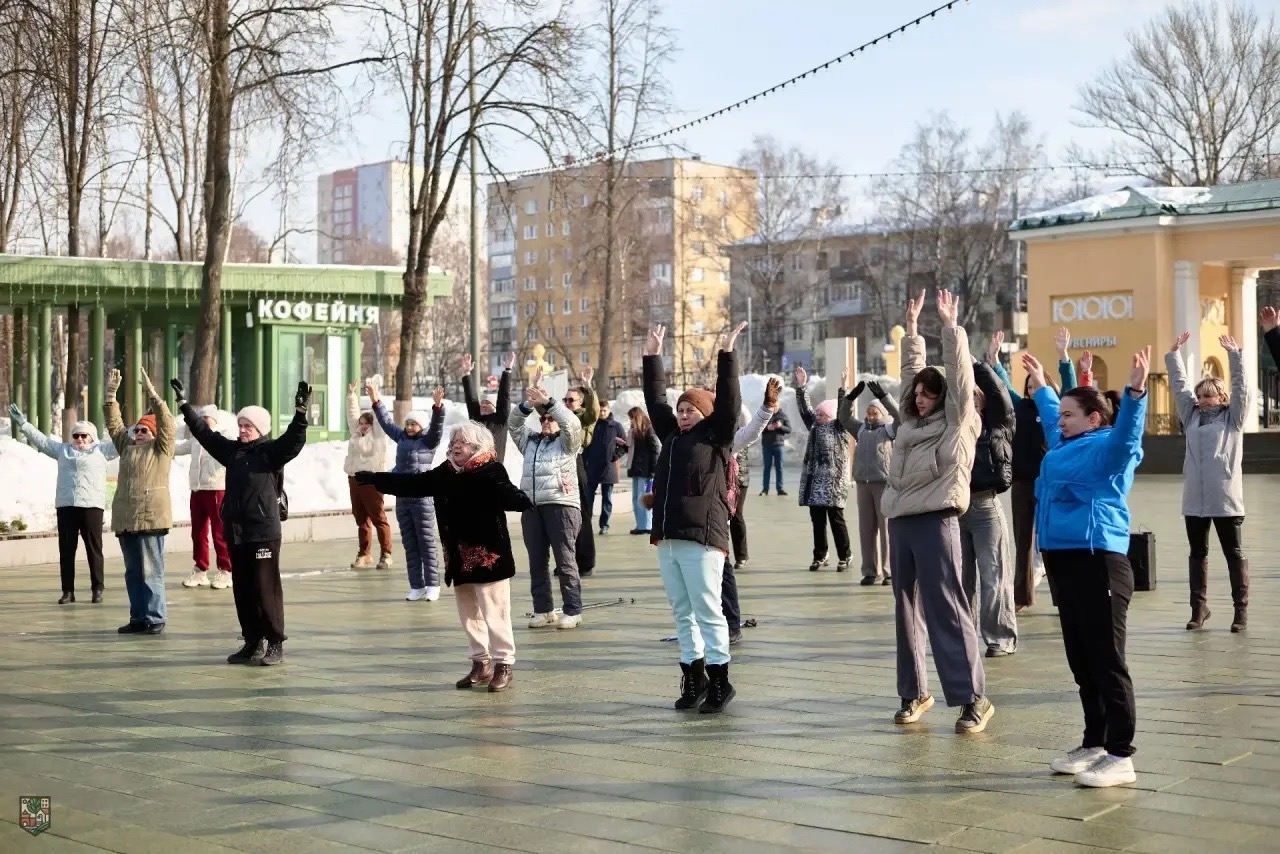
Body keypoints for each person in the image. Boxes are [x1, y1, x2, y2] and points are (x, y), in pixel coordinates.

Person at [1023, 346, 1150, 788]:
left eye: (1069, 415)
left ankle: (1121, 754)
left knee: (1107, 660)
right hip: (1063, 563)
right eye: (1060, 415)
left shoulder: (1106, 450)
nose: (1060, 421)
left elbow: (1127, 438)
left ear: (1093, 419)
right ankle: (1094, 742)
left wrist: (1136, 394)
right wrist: (1042, 385)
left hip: (1098, 563)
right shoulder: (1066, 444)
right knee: (1081, 661)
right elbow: (1050, 419)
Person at [882, 291, 993, 734]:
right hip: (901, 521)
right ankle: (914, 692)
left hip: (937, 518)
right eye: (919, 394)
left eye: (930, 393)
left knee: (947, 606)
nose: (921, 398)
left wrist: (950, 328)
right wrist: (912, 331)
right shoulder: (909, 424)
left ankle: (973, 698)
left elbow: (960, 379)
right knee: (905, 609)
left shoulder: (958, 422)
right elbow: (910, 375)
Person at [356, 422, 534, 693]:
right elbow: (414, 484)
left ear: (477, 447)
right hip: (459, 557)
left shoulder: (491, 471)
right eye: (453, 442)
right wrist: (377, 479)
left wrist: (522, 499)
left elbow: (508, 494)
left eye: (462, 442)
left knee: (495, 612)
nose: (455, 446)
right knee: (469, 614)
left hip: (489, 558)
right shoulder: (447, 472)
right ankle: (481, 663)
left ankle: (504, 664)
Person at [643, 321, 745, 714]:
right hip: (668, 538)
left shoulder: (716, 437)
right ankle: (694, 676)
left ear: (705, 414)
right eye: (681, 410)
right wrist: (653, 356)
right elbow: (656, 402)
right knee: (681, 612)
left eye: (691, 410)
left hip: (703, 539)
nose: (684, 415)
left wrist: (727, 354)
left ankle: (720, 680)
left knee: (708, 610)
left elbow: (730, 402)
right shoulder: (672, 437)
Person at [174, 378, 311, 665]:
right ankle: (252, 641)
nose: (242, 429)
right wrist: (184, 405)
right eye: (240, 425)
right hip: (237, 533)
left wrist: (300, 413)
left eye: (248, 426)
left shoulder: (269, 452)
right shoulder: (233, 452)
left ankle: (275, 642)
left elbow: (294, 440)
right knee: (243, 590)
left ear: (260, 429)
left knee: (265, 588)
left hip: (263, 533)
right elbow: (204, 434)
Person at [1166, 331, 1252, 633]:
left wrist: (1234, 356)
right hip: (1194, 500)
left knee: (1233, 554)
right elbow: (1179, 387)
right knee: (1197, 554)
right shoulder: (1191, 416)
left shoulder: (1233, 418)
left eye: (1209, 395)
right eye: (1200, 396)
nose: (1202, 400)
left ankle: (1240, 611)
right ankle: (1199, 609)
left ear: (1222, 397)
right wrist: (1174, 355)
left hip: (1225, 499)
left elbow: (1242, 388)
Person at [989, 330, 1073, 611]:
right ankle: (1022, 597)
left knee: (1053, 539)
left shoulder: (1058, 410)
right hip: (1023, 482)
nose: (1032, 390)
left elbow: (1070, 387)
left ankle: (1063, 597)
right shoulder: (1020, 406)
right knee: (1023, 540)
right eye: (1028, 386)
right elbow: (1002, 386)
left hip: (1051, 483)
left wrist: (1063, 356)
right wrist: (995, 360)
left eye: (1036, 385)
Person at [10, 403, 117, 604]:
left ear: (92, 437)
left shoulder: (102, 451)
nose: (79, 439)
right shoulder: (63, 450)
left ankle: (97, 588)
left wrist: (144, 420)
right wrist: (24, 424)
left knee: (94, 549)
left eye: (84, 435)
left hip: (91, 507)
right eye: (76, 435)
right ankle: (68, 591)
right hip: (67, 506)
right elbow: (42, 441)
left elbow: (123, 439)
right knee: (67, 550)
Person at [508, 380, 585, 629]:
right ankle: (543, 609)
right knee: (537, 562)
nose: (546, 421)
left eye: (551, 418)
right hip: (532, 507)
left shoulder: (568, 442)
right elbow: (513, 424)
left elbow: (571, 423)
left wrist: (549, 403)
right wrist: (527, 405)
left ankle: (573, 610)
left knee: (565, 561)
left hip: (561, 505)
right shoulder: (530, 442)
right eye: (543, 419)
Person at [106, 368, 177, 635]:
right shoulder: (127, 448)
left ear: (155, 434)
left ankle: (155, 617)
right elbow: (114, 426)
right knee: (133, 573)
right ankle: (138, 617)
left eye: (144, 430)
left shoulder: (161, 449)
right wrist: (110, 396)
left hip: (150, 519)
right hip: (127, 520)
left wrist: (154, 396)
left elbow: (168, 424)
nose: (138, 433)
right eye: (136, 429)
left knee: (150, 571)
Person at [960, 359, 1018, 658]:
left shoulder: (998, 427)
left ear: (982, 401)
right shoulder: (955, 430)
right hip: (955, 508)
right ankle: (964, 635)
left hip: (985, 507)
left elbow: (1001, 397)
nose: (968, 403)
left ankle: (1000, 637)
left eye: (974, 398)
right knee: (960, 580)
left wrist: (978, 365)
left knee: (993, 576)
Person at [720, 377, 783, 645]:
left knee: (722, 567)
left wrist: (767, 407)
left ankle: (732, 623)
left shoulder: (727, 438)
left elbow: (751, 431)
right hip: (694, 520)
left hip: (722, 504)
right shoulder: (690, 438)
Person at [370, 380, 445, 601]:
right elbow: (386, 423)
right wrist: (376, 400)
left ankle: (433, 584)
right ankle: (416, 586)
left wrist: (438, 407)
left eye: (414, 424)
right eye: (408, 423)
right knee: (410, 545)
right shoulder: (401, 437)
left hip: (422, 500)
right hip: (403, 499)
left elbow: (437, 427)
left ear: (422, 426)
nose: (410, 427)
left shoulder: (428, 442)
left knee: (426, 543)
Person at [793, 365, 853, 572]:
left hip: (834, 484)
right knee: (817, 522)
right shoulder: (814, 427)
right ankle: (820, 555)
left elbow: (844, 410)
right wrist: (801, 386)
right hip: (815, 483)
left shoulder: (839, 427)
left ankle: (845, 555)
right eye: (817, 413)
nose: (817, 416)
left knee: (836, 521)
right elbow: (804, 409)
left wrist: (843, 389)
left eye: (821, 413)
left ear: (831, 416)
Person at [841, 381, 898, 586]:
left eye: (875, 413)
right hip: (863, 485)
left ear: (882, 414)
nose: (871, 416)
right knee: (866, 529)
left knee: (886, 529)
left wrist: (884, 397)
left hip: (883, 484)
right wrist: (849, 398)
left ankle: (888, 571)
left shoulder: (890, 430)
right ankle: (870, 571)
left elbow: (900, 416)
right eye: (869, 413)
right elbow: (843, 417)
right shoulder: (861, 429)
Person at [175, 406, 235, 590]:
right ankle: (200, 569)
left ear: (215, 420)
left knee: (219, 532)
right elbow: (177, 448)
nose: (203, 421)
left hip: (216, 489)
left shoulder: (222, 438)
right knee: (198, 532)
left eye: (207, 418)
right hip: (197, 489)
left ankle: (226, 569)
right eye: (201, 418)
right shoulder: (195, 439)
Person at [344, 382, 393, 570]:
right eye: (362, 423)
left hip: (373, 481)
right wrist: (351, 395)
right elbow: (352, 415)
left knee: (378, 518)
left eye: (367, 423)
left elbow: (380, 418)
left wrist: (374, 397)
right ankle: (364, 554)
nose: (363, 426)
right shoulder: (356, 434)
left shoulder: (379, 436)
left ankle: (386, 554)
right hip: (354, 480)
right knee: (361, 520)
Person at [563, 371, 599, 575]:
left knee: (581, 515)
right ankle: (567, 560)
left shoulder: (583, 417)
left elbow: (594, 411)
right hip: (560, 465)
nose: (567, 403)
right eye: (565, 400)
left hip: (576, 463)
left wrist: (588, 386)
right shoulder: (561, 416)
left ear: (581, 402)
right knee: (563, 517)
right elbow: (544, 410)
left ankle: (585, 561)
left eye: (571, 400)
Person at [460, 352, 514, 462]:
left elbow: (504, 396)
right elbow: (471, 399)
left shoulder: (500, 420)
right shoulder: (476, 419)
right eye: (482, 403)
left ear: (494, 407)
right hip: (476, 468)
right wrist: (467, 373)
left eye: (487, 403)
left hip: (494, 468)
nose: (483, 405)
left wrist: (507, 371)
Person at [583, 401, 627, 536]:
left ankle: (604, 525)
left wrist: (614, 455)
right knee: (588, 498)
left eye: (604, 410)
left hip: (609, 468)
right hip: (592, 467)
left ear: (608, 410)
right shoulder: (592, 425)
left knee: (606, 498)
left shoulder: (616, 426)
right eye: (600, 410)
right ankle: (586, 524)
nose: (602, 413)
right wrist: (585, 462)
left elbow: (625, 445)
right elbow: (585, 444)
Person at [625, 407, 661, 535]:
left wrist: (653, 471)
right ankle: (640, 524)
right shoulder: (635, 432)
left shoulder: (648, 430)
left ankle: (646, 525)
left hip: (645, 470)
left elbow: (655, 450)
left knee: (643, 498)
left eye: (632, 418)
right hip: (636, 469)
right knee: (636, 498)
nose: (631, 421)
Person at [759, 406, 790, 496]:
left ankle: (780, 489)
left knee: (779, 467)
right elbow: (758, 428)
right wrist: (767, 428)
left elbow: (789, 430)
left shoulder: (783, 415)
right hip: (766, 445)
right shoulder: (764, 415)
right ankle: (765, 489)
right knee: (767, 467)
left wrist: (780, 426)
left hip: (779, 445)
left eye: (775, 405)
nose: (774, 407)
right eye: (772, 405)